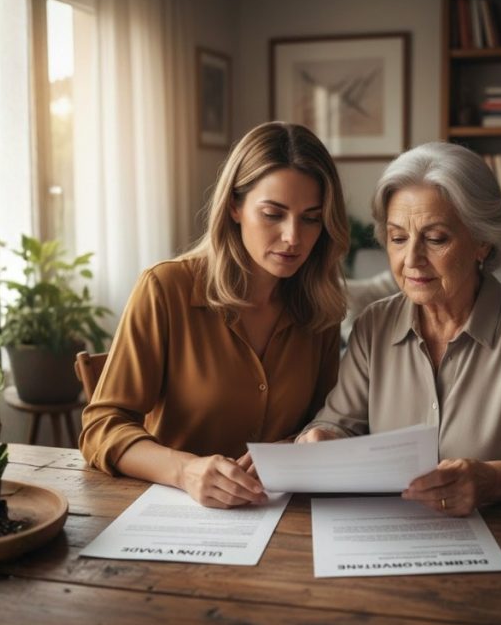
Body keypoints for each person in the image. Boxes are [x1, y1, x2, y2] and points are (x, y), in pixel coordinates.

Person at [298, 142, 501, 516]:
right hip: (390, 537)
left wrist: (493, 480)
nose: (411, 260)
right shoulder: (373, 325)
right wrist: (321, 437)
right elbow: (338, 424)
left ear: (482, 242)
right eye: (398, 238)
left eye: (436, 239)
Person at [80, 122, 349, 508]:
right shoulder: (166, 289)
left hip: (287, 517)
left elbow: (324, 421)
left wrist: (298, 447)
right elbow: (100, 427)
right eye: (273, 214)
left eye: (311, 218)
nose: (294, 237)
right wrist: (185, 470)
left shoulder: (320, 306)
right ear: (235, 207)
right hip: (177, 519)